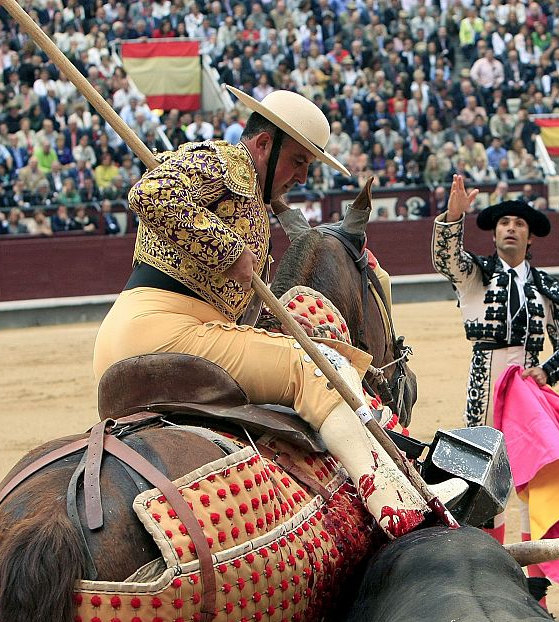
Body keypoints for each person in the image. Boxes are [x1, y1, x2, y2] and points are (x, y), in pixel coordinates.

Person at [93, 89, 464, 539]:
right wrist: (227, 251)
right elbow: (149, 193)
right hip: (168, 330)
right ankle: (397, 508)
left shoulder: (248, 197)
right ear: (265, 144)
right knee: (315, 367)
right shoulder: (227, 162)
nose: (303, 177)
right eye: (299, 161)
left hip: (131, 337)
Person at [431, 174, 559, 600]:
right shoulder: (475, 275)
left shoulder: (548, 288)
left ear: (530, 236)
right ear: (494, 233)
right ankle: (497, 589)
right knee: (486, 488)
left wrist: (547, 371)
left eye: (518, 223)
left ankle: (536, 592)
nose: (510, 228)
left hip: (530, 401)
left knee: (534, 489)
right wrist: (453, 217)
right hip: (484, 393)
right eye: (503, 223)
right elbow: (446, 259)